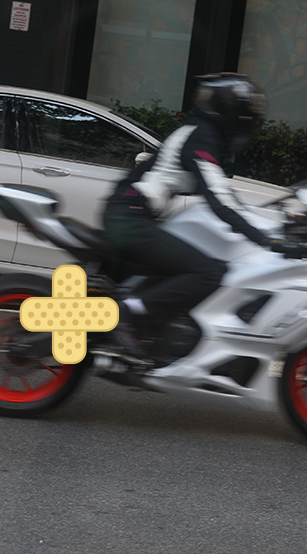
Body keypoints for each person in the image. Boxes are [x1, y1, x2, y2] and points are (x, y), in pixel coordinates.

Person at [101, 73, 273, 356]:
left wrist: (269, 222)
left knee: (192, 264)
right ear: (232, 112)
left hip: (129, 215)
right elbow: (219, 201)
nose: (250, 122)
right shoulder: (202, 137)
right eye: (246, 114)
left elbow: (224, 196)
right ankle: (127, 313)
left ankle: (153, 328)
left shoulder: (199, 131)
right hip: (129, 220)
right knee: (209, 272)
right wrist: (264, 239)